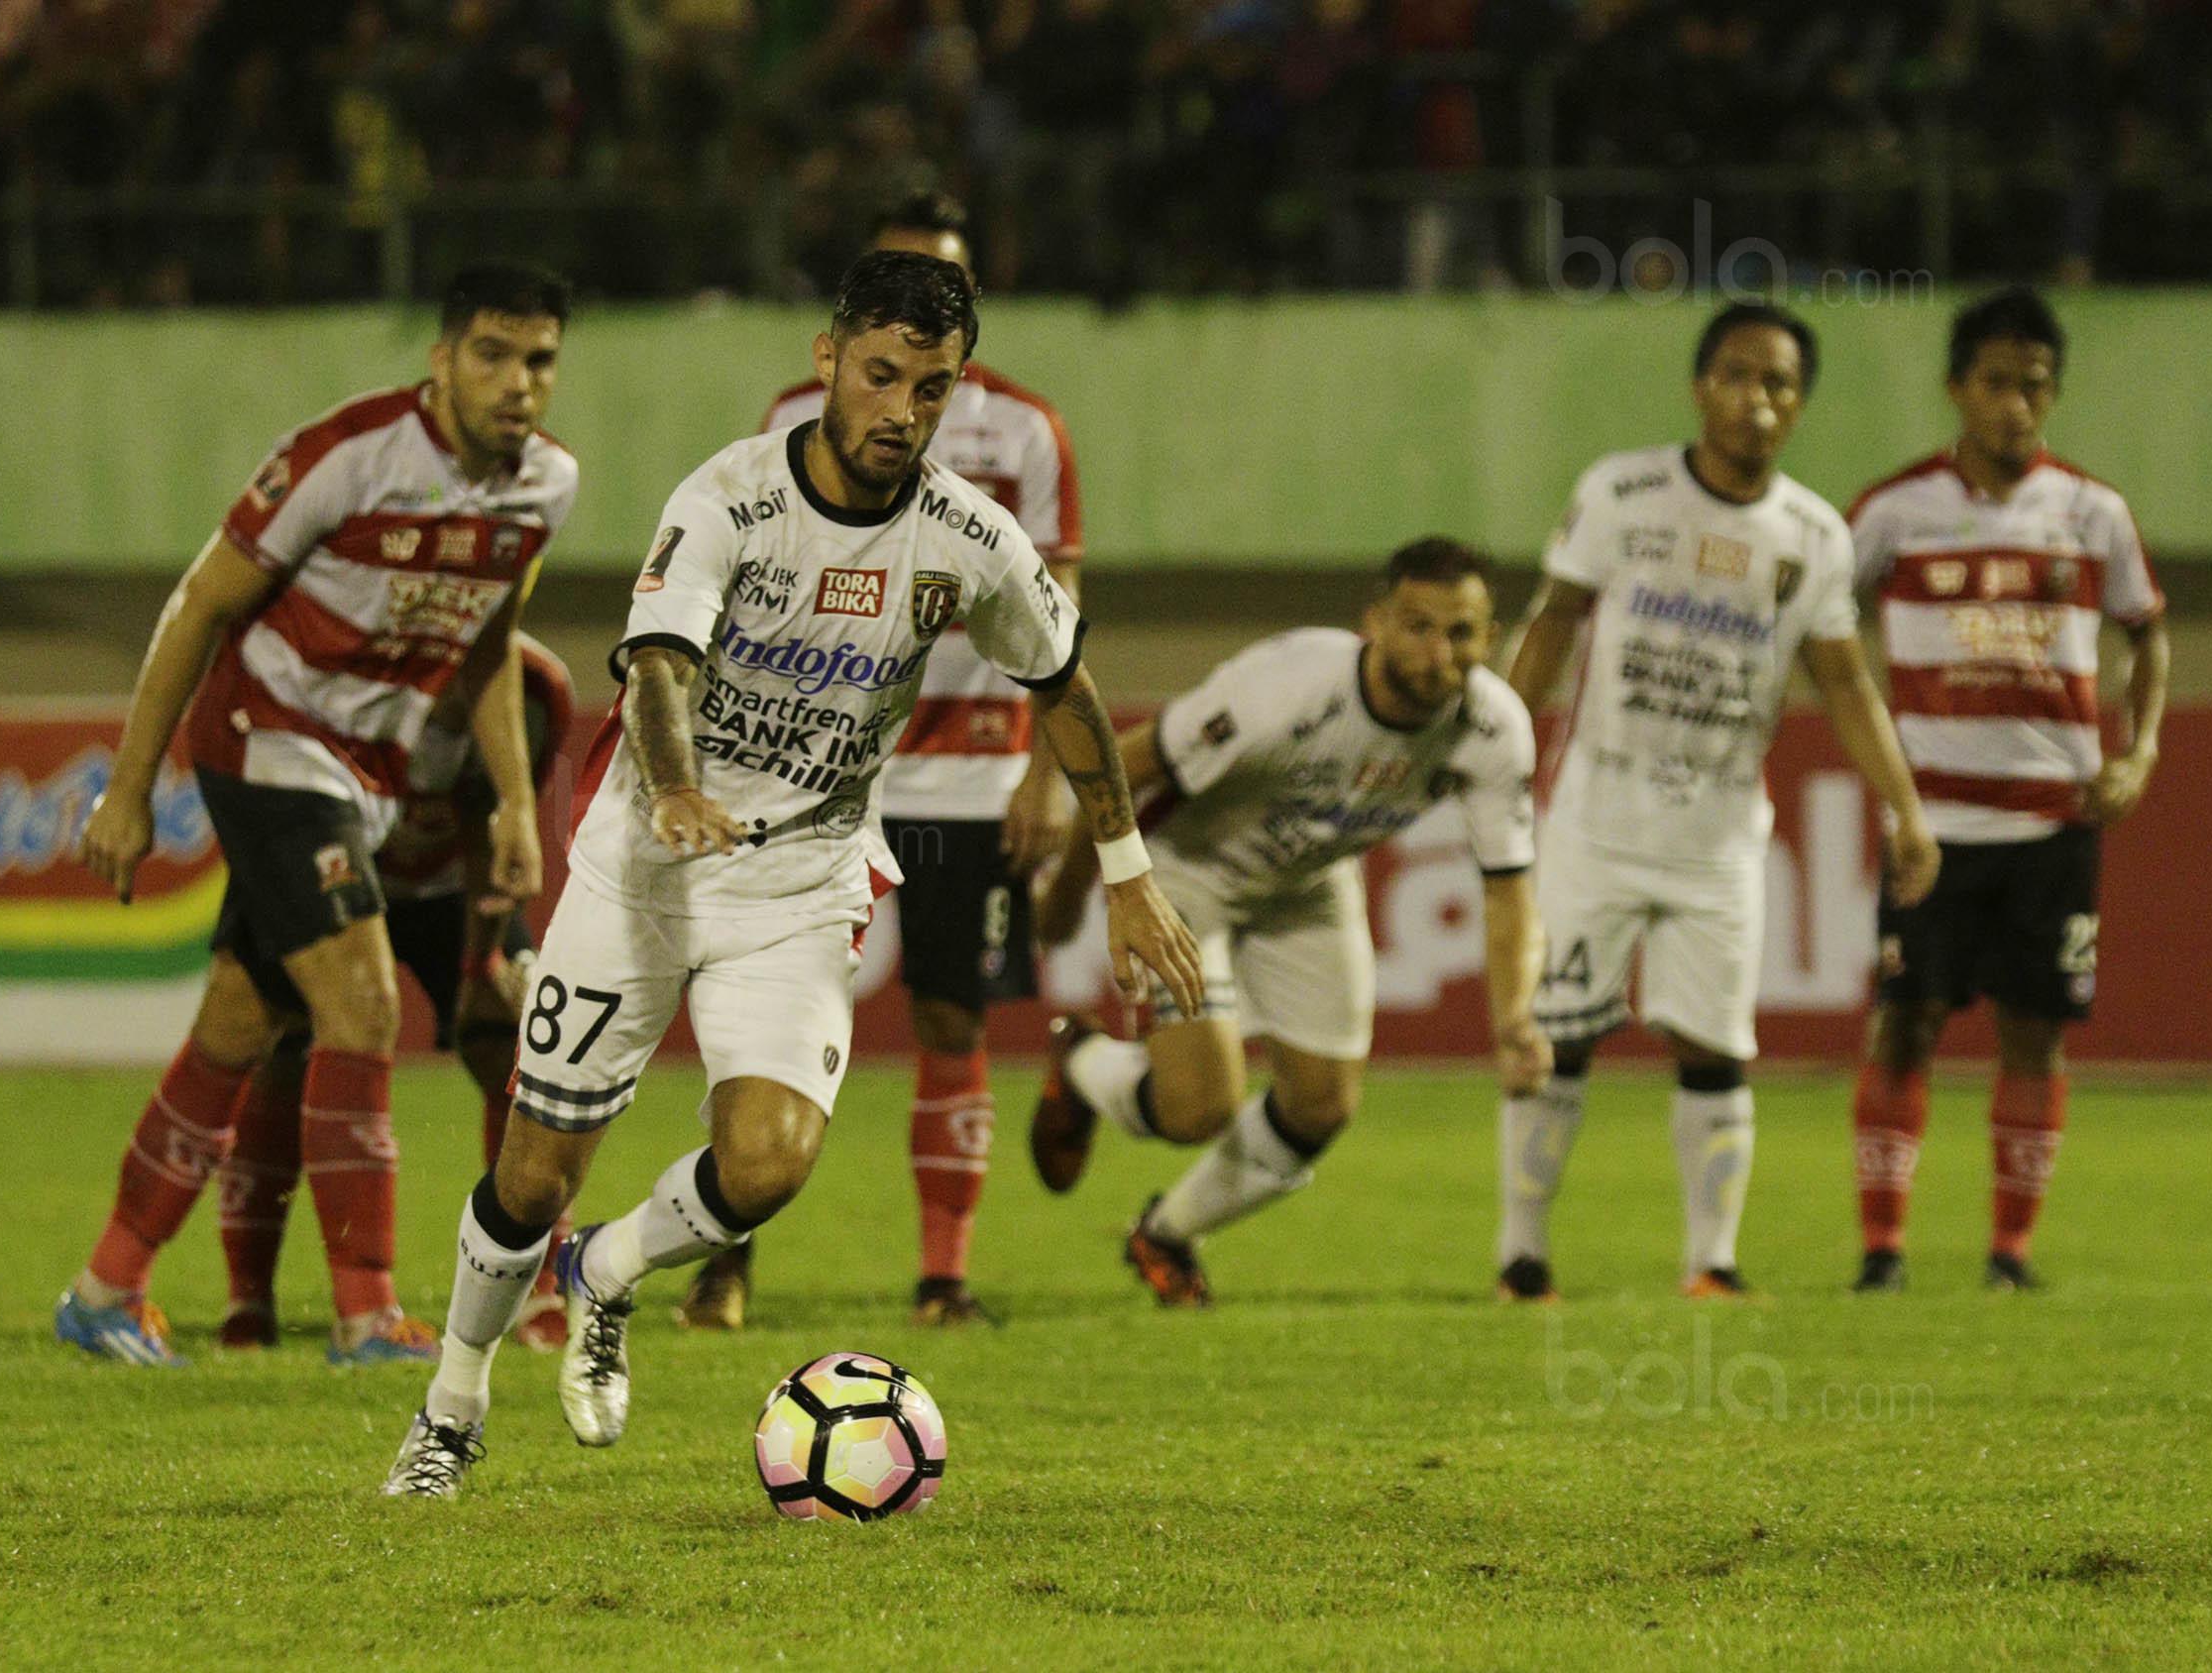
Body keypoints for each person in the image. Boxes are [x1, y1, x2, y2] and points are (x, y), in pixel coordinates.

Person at [380, 251, 1203, 1498]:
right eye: (880, 376)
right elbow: (656, 667)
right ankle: (452, 1406)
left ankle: (602, 1272)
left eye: (931, 390)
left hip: (807, 876)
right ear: (828, 359)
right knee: (533, 1170)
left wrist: (1130, 867)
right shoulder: (729, 500)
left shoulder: (967, 534)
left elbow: (1065, 685)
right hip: (645, 868)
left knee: (767, 1160)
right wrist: (670, 788)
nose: (901, 412)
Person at [60, 264, 577, 1369]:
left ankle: (106, 1287)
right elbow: (203, 600)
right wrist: (129, 783)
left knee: (239, 1023)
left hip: (369, 780)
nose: (516, 382)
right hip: (269, 736)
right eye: (491, 354)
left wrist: (518, 810)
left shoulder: (544, 488)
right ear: (441, 360)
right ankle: (367, 1311)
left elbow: (488, 645)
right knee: (365, 1003)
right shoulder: (348, 456)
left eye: (538, 360)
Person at [679, 189, 1084, 1330]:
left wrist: (1049, 773)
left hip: (971, 772)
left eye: (941, 285)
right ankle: (725, 1253)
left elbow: (1062, 604)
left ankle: (943, 1275)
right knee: (754, 1017)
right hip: (812, 773)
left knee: (953, 1016)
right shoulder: (787, 419)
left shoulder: (1027, 431)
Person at [1493, 301, 1940, 1303]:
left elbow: (1847, 682)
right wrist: (1502, 744)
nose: (1758, 398)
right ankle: (1521, 1255)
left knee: (1715, 1043)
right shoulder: (1623, 492)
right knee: (1558, 1034)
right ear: (1702, 385)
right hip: (1596, 821)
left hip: (1720, 836)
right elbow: (1553, 618)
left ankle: (1713, 1262)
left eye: (1780, 383)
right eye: (1739, 375)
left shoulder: (1814, 535)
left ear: (1799, 404)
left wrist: (1906, 808)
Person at [1024, 539, 1548, 1304]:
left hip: (1307, 880)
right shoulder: (1288, 688)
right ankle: (1081, 1064)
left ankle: (1166, 1233)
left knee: (1323, 1104)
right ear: (1376, 622)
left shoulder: (1493, 728)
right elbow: (1125, 764)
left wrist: (1515, 1020)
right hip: (1188, 872)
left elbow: (1509, 888)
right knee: (1198, 1108)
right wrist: (1074, 891)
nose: (1440, 653)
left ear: (1489, 638)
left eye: (1462, 632)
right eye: (1419, 626)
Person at [1843, 287, 2167, 1293]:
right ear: (1956, 387)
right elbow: (1822, 621)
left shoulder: (2091, 510)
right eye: (1994, 382)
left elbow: (2146, 633)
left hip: (2052, 821)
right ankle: (1884, 1248)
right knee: (1907, 1021)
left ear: (2052, 393)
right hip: (1931, 823)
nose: (2014, 404)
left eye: (2033, 385)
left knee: (2035, 1028)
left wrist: (2140, 749)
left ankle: (2010, 1252)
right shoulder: (1895, 510)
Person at [215, 634, 579, 1353]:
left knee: (522, 1051)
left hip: (451, 889)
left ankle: (536, 1292)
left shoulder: (537, 691)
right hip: (331, 874)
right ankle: (248, 1302)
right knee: (281, 1056)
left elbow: (496, 823)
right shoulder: (342, 654)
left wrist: (481, 968)